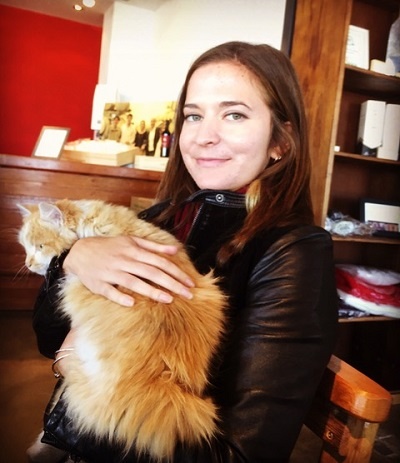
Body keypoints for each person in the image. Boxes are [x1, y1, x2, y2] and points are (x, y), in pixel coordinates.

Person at [32, 41, 338, 462]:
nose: (204, 136)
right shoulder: (159, 217)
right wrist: (72, 260)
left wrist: (77, 384)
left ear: (280, 142)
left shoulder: (294, 252)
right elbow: (48, 338)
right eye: (193, 115)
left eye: (234, 114)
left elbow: (239, 455)